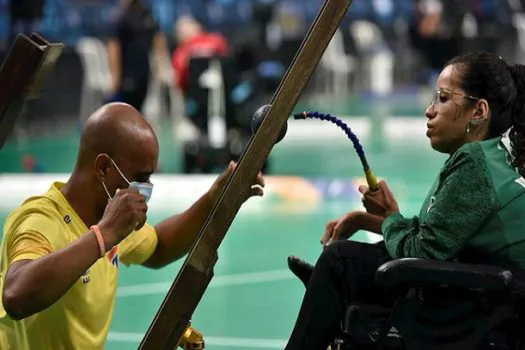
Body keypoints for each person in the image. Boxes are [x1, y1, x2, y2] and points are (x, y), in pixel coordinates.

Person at [284, 51, 525, 350]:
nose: (429, 110)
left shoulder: (474, 162)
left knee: (338, 262)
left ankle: (330, 292)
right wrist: (369, 219)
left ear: (478, 111)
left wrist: (388, 217)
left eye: (443, 98)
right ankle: (331, 292)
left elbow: (424, 251)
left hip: (490, 306)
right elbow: (441, 236)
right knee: (347, 268)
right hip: (487, 291)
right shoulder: (491, 155)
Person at [0, 102, 264, 350]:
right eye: (141, 177)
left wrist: (212, 200)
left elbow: (159, 246)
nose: (146, 188)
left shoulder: (109, 216)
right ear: (103, 167)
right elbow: (16, 295)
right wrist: (103, 235)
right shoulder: (39, 220)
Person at [106, 0, 169, 112]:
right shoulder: (120, 16)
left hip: (144, 71)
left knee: (139, 107)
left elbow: (158, 38)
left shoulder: (147, 13)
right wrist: (115, 75)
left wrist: (161, 67)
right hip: (127, 72)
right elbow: (113, 46)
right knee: (123, 108)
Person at [171, 15, 229, 95]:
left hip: (218, 89)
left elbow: (179, 82)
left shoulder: (215, 40)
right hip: (211, 94)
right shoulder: (218, 40)